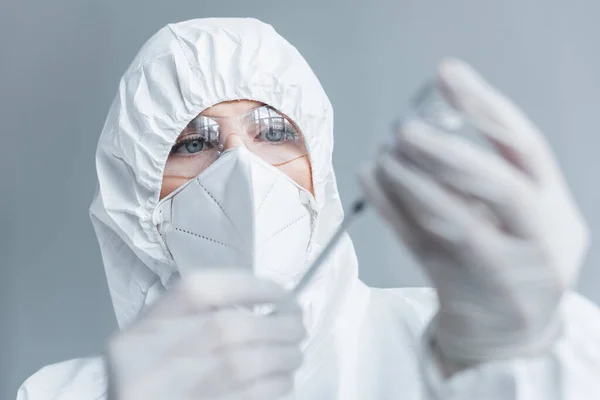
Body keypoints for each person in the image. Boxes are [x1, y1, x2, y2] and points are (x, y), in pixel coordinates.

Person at [16, 17, 600, 400]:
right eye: (194, 143)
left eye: (274, 134)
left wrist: (527, 361)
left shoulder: (457, 344)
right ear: (139, 198)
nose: (243, 174)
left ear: (318, 169)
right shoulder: (62, 395)